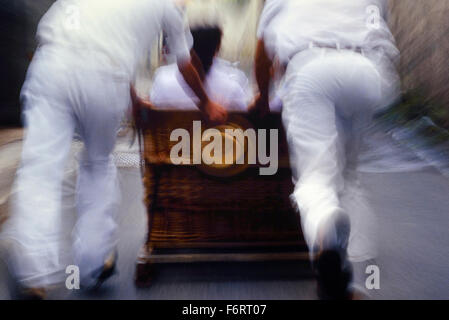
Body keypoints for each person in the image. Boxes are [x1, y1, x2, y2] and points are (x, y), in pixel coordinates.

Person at [2, 0, 227, 298]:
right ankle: (94, 261)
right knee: (97, 163)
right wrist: (207, 103)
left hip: (55, 63)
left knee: (40, 169)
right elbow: (185, 65)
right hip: (107, 78)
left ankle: (34, 270)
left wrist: (133, 99)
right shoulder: (167, 7)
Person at [251, 0, 400, 299]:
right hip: (368, 74)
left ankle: (325, 227)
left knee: (316, 179)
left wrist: (264, 98)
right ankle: (359, 279)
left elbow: (262, 52)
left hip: (312, 68)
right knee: (349, 177)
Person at [150, 25, 250, 111]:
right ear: (218, 47)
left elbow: (152, 107)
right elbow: (243, 120)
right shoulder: (232, 88)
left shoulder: (162, 80)